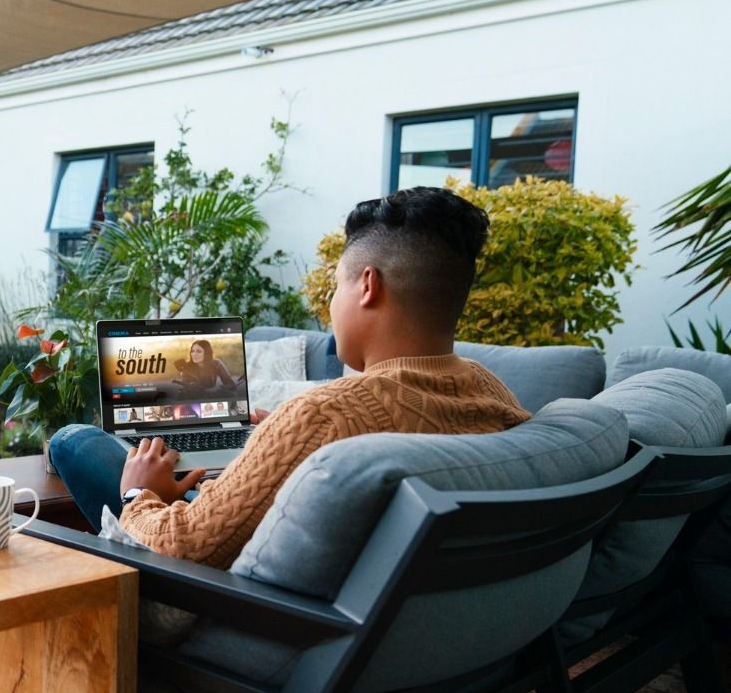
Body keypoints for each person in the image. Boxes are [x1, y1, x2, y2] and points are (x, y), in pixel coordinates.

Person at [49, 186, 531, 569]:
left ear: (367, 286)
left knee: (74, 441)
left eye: (336, 284)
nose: (330, 306)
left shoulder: (324, 416)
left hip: (244, 607)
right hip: (408, 625)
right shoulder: (492, 391)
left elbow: (182, 547)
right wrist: (273, 441)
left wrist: (140, 494)